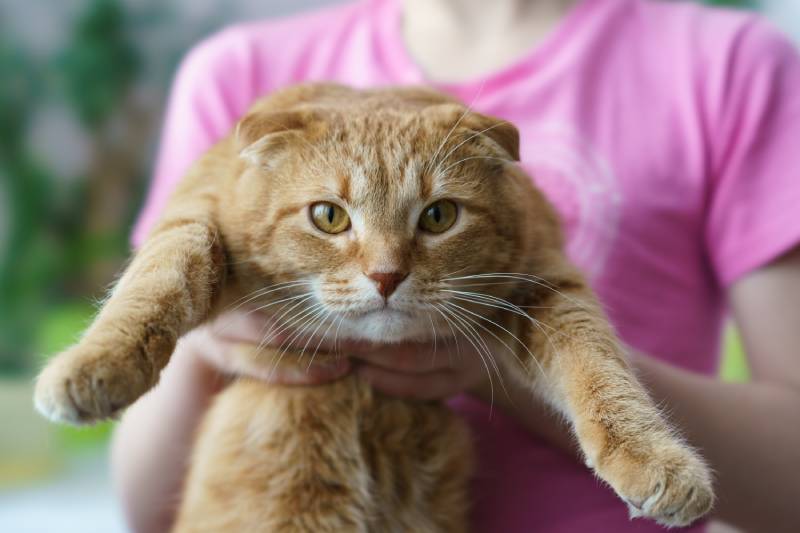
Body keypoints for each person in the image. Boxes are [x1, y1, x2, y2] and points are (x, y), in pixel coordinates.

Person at [111, 0, 800, 531]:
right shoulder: (239, 76)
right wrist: (204, 328)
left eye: (437, 218)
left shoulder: (730, 66)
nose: (385, 268)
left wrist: (518, 358)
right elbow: (144, 505)